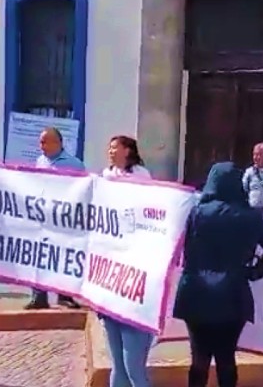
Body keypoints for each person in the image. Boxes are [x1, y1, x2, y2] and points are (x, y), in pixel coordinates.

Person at [173, 162, 263, 387]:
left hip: (195, 292)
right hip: (233, 294)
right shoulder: (250, 217)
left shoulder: (197, 212)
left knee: (199, 358)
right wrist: (253, 272)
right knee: (226, 358)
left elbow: (185, 246)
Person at [100, 136, 154, 387]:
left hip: (132, 278)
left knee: (133, 365)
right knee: (117, 364)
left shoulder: (141, 175)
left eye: (115, 147)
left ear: (128, 150)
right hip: (110, 278)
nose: (110, 151)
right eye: (109, 148)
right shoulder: (105, 176)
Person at [26, 127, 84, 310]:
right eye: (40, 142)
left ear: (57, 143)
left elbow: (82, 190)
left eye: (44, 142)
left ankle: (64, 296)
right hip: (43, 217)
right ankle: (38, 296)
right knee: (38, 256)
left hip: (63, 219)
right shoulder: (40, 161)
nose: (41, 146)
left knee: (63, 257)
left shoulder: (74, 164)